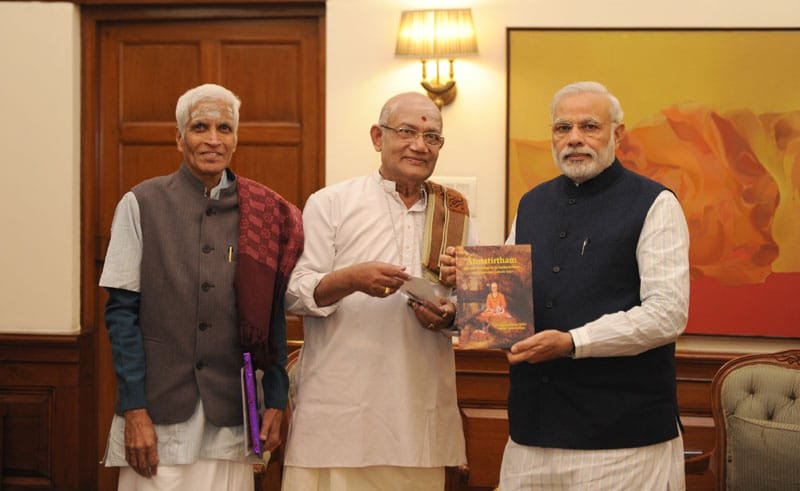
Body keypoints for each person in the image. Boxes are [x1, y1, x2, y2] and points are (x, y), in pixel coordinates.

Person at [442, 81, 690, 489]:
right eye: (563, 128)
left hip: (623, 438)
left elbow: (666, 315)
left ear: (618, 134)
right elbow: (509, 304)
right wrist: (460, 298)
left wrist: (573, 342)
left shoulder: (655, 203)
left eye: (589, 126)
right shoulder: (532, 202)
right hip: (532, 433)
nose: (575, 138)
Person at [99, 83, 304, 490]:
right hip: (158, 411)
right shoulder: (140, 203)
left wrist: (277, 401)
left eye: (224, 128)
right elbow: (121, 315)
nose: (213, 139)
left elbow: (272, 318)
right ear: (179, 138)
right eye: (200, 127)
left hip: (231, 413)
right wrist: (133, 409)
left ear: (236, 139)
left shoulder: (263, 212)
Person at [282, 92, 476, 490]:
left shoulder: (453, 211)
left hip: (417, 409)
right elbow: (294, 293)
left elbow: (474, 310)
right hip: (341, 410)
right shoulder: (331, 202)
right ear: (377, 136)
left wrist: (451, 314)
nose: (420, 145)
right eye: (407, 131)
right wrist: (350, 279)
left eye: (432, 137)